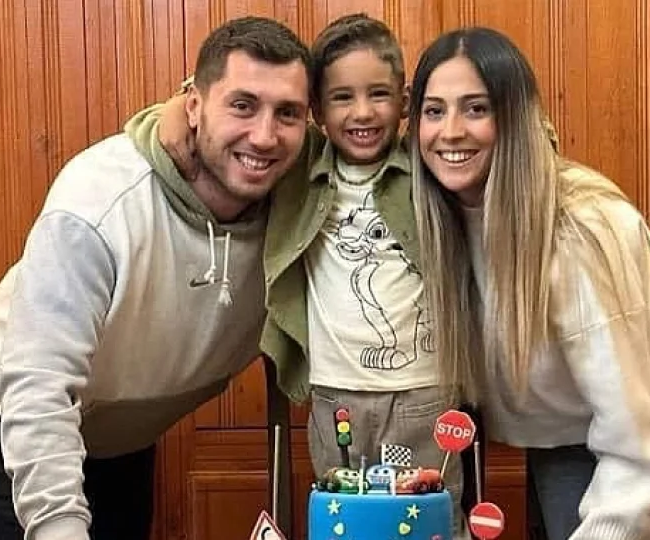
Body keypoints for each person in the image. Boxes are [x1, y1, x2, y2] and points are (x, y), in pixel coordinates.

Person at [0, 16, 314, 540]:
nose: (265, 136)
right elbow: (38, 384)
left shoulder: (304, 192)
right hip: (6, 416)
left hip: (120, 437)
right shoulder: (99, 204)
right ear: (194, 105)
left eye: (287, 113)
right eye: (242, 105)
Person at [147, 14, 471, 536]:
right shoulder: (300, 165)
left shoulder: (428, 164)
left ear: (406, 103)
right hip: (331, 393)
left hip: (423, 391)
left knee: (422, 518)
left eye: (378, 95)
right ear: (317, 110)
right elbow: (200, 112)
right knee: (342, 518)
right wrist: (172, 107)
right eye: (342, 97)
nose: (361, 112)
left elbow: (513, 142)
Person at [406, 27, 650, 540]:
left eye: (476, 109)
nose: (451, 131)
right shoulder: (435, 212)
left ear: (514, 119)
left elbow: (636, 454)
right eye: (434, 111)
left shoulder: (577, 232)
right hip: (564, 414)